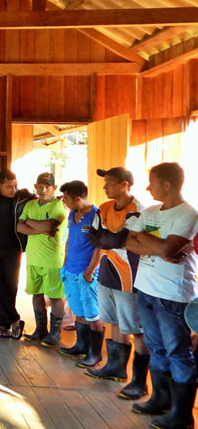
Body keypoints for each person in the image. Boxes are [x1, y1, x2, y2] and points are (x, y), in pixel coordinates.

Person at [126, 162, 198, 429]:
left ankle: (182, 414)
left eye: (152, 182)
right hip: (146, 288)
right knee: (155, 347)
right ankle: (160, 399)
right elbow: (129, 241)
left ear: (167, 185)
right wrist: (160, 248)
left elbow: (168, 247)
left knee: (177, 351)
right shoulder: (150, 211)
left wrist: (145, 237)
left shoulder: (187, 214)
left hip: (172, 294)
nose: (148, 188)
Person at [85, 167, 148, 400]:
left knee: (135, 328)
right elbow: (93, 237)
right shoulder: (103, 208)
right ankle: (116, 367)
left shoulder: (137, 209)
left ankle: (139, 381)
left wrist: (107, 238)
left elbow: (120, 239)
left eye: (110, 182)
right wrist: (108, 239)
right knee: (112, 320)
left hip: (129, 273)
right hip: (107, 269)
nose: (105, 187)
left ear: (125, 184)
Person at [16, 172, 67, 347]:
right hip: (33, 258)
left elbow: (50, 225)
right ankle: (40, 330)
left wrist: (30, 222)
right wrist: (42, 229)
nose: (43, 190)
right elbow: (19, 226)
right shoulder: (30, 204)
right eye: (40, 186)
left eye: (47, 187)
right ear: (35, 187)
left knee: (55, 297)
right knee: (36, 294)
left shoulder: (58, 205)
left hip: (52, 260)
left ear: (54, 188)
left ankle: (55, 334)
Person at [0, 169, 35, 339]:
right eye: (9, 187)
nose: (13, 190)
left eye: (15, 186)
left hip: (13, 249)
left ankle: (4, 323)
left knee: (11, 287)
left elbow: (41, 197)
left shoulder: (22, 197)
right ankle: (15, 320)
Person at [57, 180, 104, 367]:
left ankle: (95, 354)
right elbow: (69, 239)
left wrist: (90, 270)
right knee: (78, 310)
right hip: (70, 270)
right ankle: (81, 345)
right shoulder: (72, 214)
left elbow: (100, 246)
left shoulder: (96, 215)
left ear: (77, 198)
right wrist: (64, 265)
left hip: (87, 272)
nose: (64, 202)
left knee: (92, 313)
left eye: (66, 198)